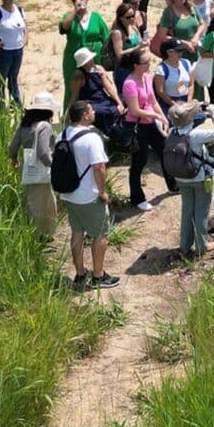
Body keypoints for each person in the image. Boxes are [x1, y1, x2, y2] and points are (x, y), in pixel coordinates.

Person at [56, 102, 120, 290]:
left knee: (77, 234)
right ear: (85, 115)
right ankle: (99, 276)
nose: (94, 113)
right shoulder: (92, 138)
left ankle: (80, 274)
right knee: (100, 235)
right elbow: (99, 167)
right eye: (91, 110)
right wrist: (102, 192)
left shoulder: (63, 134)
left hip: (69, 194)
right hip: (89, 196)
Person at [166, 101, 214, 258]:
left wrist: (197, 110)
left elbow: (186, 122)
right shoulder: (195, 136)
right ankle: (201, 245)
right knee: (201, 211)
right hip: (199, 178)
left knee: (187, 210)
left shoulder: (171, 131)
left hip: (181, 178)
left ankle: (184, 245)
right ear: (189, 119)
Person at [7, 91, 60, 239]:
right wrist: (54, 166)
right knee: (46, 205)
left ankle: (32, 236)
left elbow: (12, 147)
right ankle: (44, 236)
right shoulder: (45, 127)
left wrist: (14, 159)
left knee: (31, 204)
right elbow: (43, 152)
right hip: (42, 170)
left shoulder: (24, 124)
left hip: (26, 169)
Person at [121, 50, 167, 211]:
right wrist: (155, 116)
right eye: (145, 63)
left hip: (151, 122)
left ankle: (173, 184)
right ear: (136, 65)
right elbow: (134, 110)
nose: (149, 65)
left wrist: (163, 117)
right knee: (139, 161)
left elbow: (153, 101)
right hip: (138, 125)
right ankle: (137, 197)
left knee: (164, 151)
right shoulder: (129, 83)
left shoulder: (147, 78)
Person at [58, 0, 110, 104]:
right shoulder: (69, 16)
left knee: (95, 82)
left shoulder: (96, 17)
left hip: (94, 54)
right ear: (73, 2)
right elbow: (64, 28)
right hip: (74, 55)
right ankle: (69, 115)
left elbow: (106, 36)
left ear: (87, 0)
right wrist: (74, 12)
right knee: (72, 84)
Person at [70, 47, 124, 140]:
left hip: (102, 98)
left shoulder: (98, 69)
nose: (91, 62)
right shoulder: (79, 75)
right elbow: (75, 95)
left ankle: (119, 134)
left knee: (117, 107)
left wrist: (119, 102)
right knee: (101, 112)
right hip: (90, 101)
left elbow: (109, 87)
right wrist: (70, 113)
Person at [109, 3, 145, 97]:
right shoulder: (117, 33)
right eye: (128, 17)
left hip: (137, 67)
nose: (132, 19)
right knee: (126, 97)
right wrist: (137, 48)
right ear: (121, 18)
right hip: (124, 69)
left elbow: (141, 44)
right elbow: (119, 54)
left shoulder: (134, 28)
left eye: (133, 16)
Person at [155, 39, 195, 106]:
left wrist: (188, 102)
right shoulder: (161, 69)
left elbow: (191, 85)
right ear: (169, 52)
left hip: (185, 99)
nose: (180, 54)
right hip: (168, 102)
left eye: (181, 51)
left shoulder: (186, 63)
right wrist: (175, 105)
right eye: (177, 51)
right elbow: (161, 92)